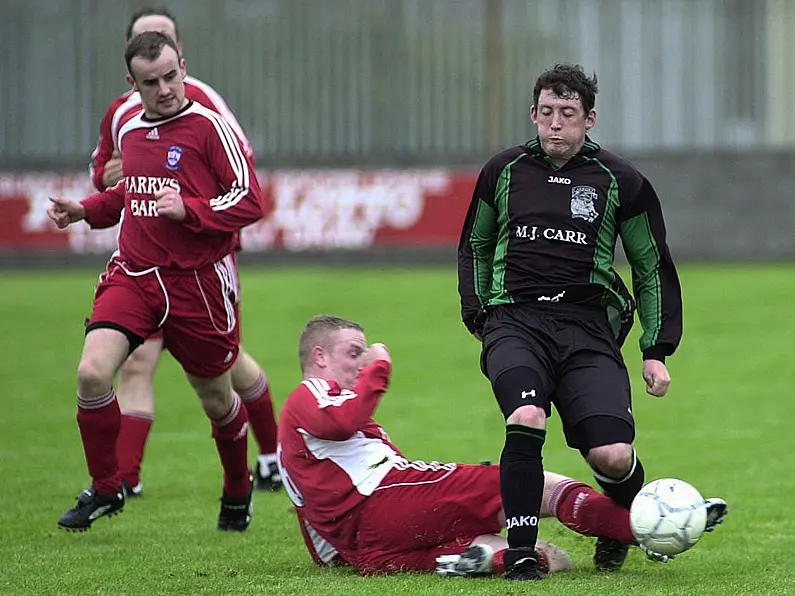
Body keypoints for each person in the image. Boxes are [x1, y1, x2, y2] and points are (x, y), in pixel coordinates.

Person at [457, 63, 686, 579]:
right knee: (526, 418)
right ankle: (520, 552)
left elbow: (651, 265)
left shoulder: (621, 180)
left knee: (611, 454)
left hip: (586, 327)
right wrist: (481, 316)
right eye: (546, 113)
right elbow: (476, 243)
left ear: (590, 119)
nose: (555, 124)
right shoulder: (504, 170)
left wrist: (656, 348)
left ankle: (623, 521)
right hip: (516, 321)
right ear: (532, 115)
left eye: (567, 114)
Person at [276, 315, 727, 577]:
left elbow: (305, 511)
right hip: (389, 499)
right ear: (319, 356)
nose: (361, 361)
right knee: (532, 484)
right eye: (352, 352)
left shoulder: (292, 441)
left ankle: (470, 559)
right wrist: (380, 368)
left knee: (552, 559)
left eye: (363, 354)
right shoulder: (310, 396)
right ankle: (649, 527)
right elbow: (343, 421)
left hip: (372, 547)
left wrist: (343, 559)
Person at [48, 31, 264, 532]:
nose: (165, 88)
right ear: (133, 84)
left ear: (183, 67)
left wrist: (189, 209)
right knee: (91, 374)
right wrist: (84, 210)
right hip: (136, 274)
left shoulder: (208, 126)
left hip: (198, 285)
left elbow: (250, 200)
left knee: (216, 399)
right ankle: (107, 487)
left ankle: (237, 486)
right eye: (152, 81)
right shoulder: (128, 127)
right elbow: (129, 194)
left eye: (171, 75)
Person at [89, 6, 281, 496]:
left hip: (202, 260)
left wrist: (195, 208)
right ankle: (123, 480)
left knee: (223, 369)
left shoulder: (205, 106)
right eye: (144, 41)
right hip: (143, 261)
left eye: (164, 40)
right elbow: (109, 173)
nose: (161, 81)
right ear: (132, 70)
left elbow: (242, 174)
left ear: (180, 54)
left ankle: (270, 457)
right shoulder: (122, 113)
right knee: (133, 361)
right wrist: (102, 187)